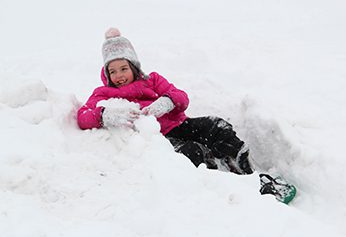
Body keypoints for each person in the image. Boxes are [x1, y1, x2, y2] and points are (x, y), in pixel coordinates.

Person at [76, 27, 254, 175]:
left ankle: (244, 166)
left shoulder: (152, 80)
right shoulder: (103, 93)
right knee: (191, 151)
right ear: (107, 74)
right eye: (113, 71)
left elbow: (181, 97)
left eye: (124, 68)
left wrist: (166, 102)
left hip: (178, 125)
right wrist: (106, 115)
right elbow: (83, 117)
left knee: (216, 126)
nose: (119, 75)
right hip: (157, 139)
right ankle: (216, 179)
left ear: (134, 67)